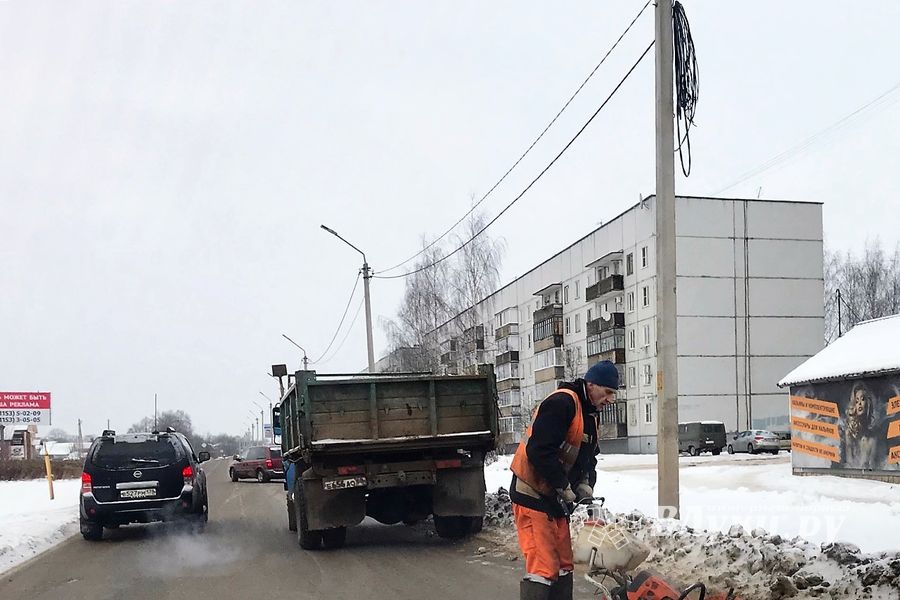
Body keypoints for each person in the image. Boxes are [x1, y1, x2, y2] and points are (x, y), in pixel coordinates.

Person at [510, 360, 618, 600]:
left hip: (555, 497)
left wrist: (585, 484)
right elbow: (539, 450)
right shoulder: (562, 403)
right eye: (608, 391)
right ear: (591, 385)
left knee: (563, 564)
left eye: (614, 394)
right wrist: (563, 485)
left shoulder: (589, 415)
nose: (610, 399)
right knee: (543, 566)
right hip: (532, 492)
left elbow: (588, 458)